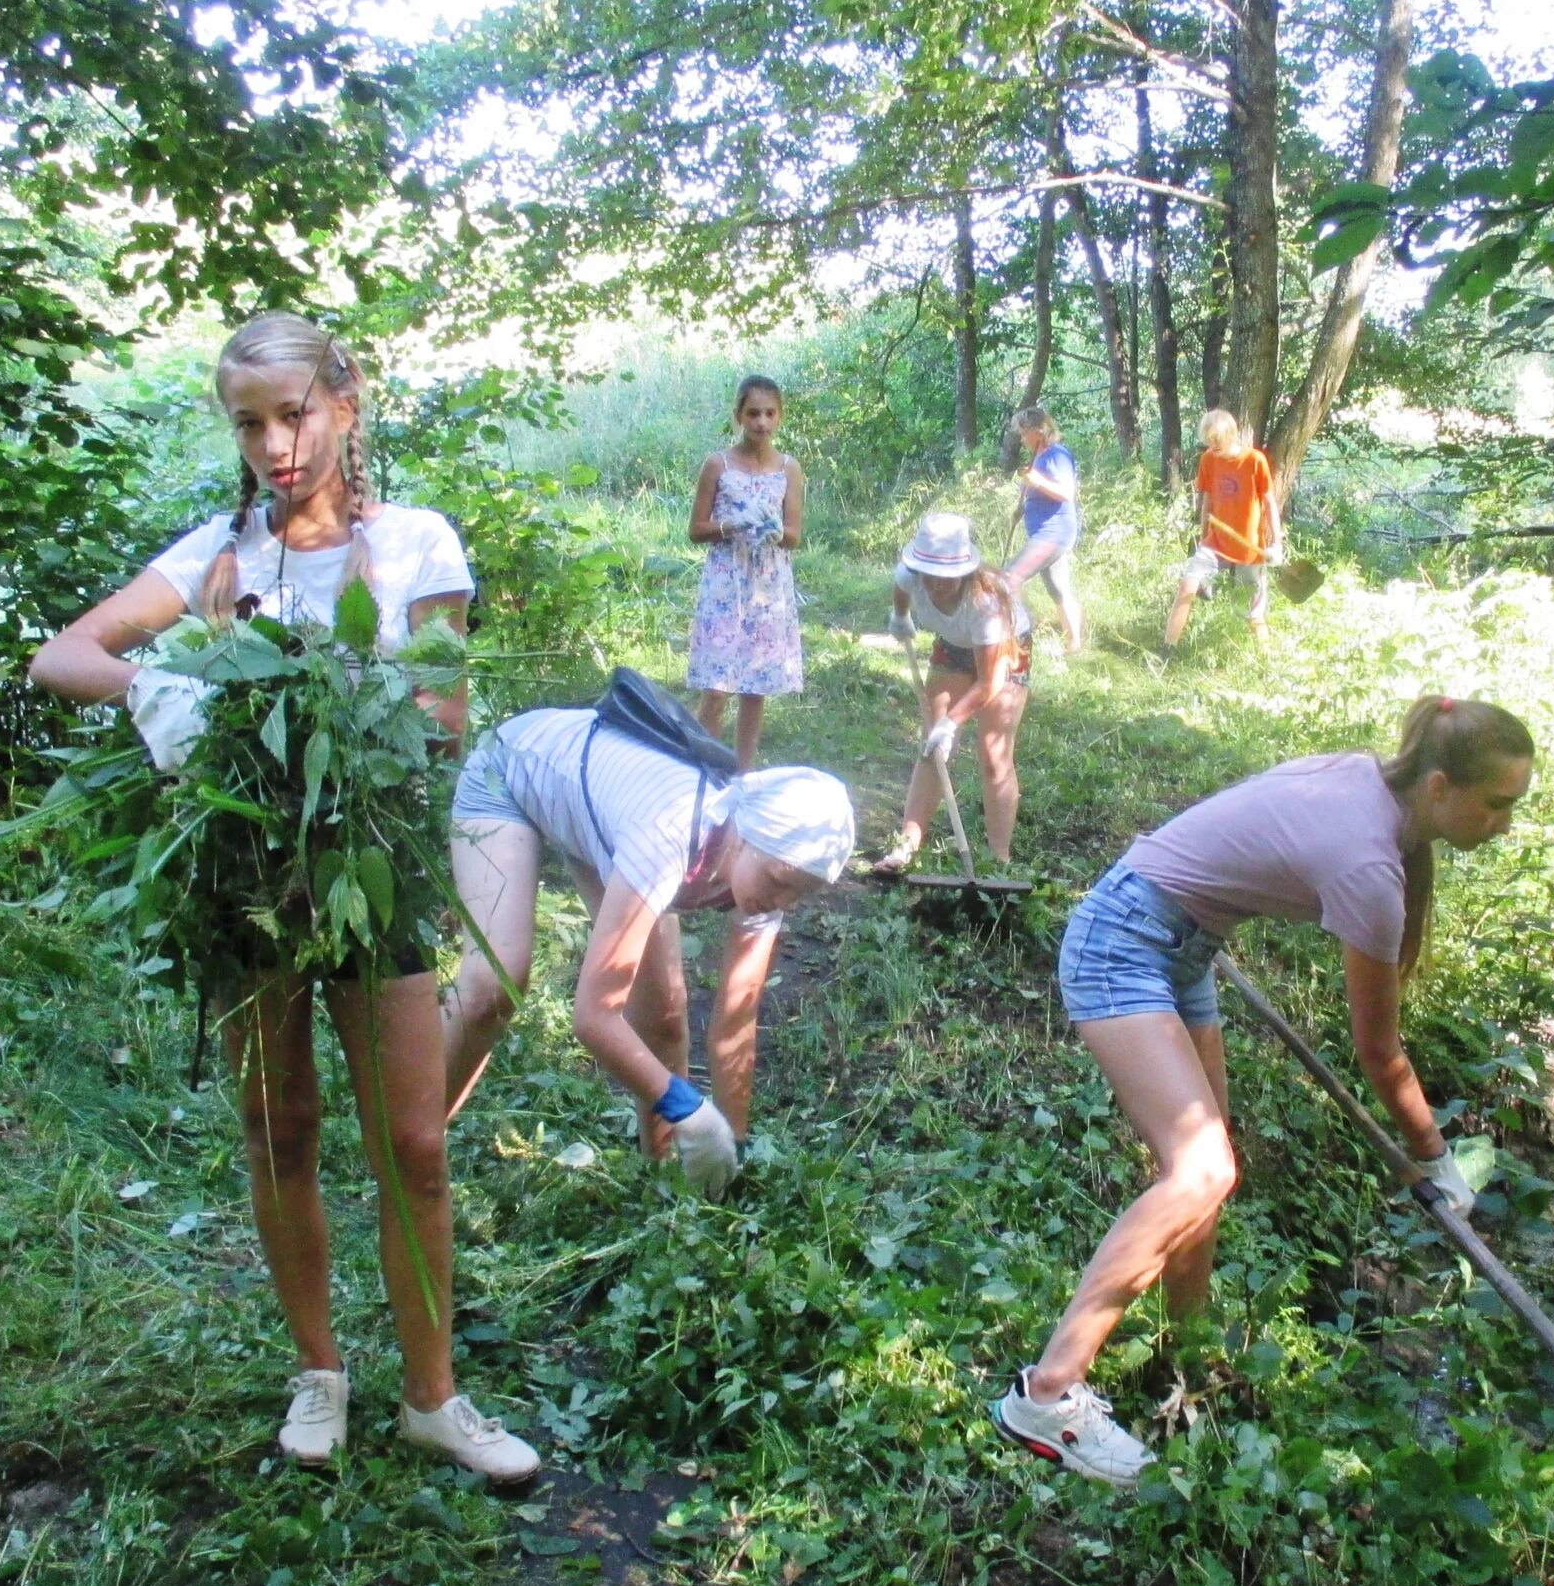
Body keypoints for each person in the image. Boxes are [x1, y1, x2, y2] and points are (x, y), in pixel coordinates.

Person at [29, 312, 539, 1482]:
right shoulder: (219, 553)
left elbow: (441, 715)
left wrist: (311, 690)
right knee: (280, 1126)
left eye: (294, 413)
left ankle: (432, 1397)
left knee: (411, 1139)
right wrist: (174, 683)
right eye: (250, 423)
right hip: (247, 877)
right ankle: (319, 1377)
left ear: (347, 403)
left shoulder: (416, 542)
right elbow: (63, 658)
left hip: (373, 859)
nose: (276, 444)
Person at [993, 697, 1536, 1486]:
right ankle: (1044, 1395)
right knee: (1202, 1170)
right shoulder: (1369, 869)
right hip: (1123, 940)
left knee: (1205, 1179)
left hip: (1180, 946)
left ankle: (1189, 1359)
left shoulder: (1370, 782)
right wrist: (1438, 1159)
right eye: (1497, 804)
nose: (1503, 824)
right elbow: (1380, 1053)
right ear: (1441, 786)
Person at [439, 710, 855, 1197]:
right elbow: (594, 1018)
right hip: (511, 771)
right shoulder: (671, 834)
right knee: (497, 982)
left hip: (600, 813)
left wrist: (731, 1148)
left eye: (798, 896)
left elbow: (736, 1020)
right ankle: (415, 1138)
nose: (781, 902)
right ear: (742, 835)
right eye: (780, 884)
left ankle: (660, 1178)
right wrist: (691, 1112)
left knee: (662, 1015)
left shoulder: (770, 871)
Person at [868, 513, 1034, 875]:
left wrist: (952, 721)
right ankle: (906, 848)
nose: (939, 585)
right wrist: (900, 617)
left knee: (993, 754)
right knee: (933, 747)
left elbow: (989, 683)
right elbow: (901, 590)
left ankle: (998, 860)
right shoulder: (910, 575)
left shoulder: (986, 603)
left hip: (1005, 647)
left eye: (948, 577)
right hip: (954, 645)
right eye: (932, 574)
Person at [686, 375, 806, 771]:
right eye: (753, 413)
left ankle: (743, 774)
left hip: (768, 586)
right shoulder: (717, 465)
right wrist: (731, 524)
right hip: (726, 582)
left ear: (780, 416)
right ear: (738, 414)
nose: (761, 422)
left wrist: (775, 532)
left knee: (756, 687)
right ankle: (705, 770)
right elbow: (694, 530)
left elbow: (794, 536)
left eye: (770, 413)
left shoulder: (789, 469)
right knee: (717, 688)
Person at [1162, 409, 1284, 652]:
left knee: (1251, 611)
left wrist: (1277, 544)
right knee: (1187, 584)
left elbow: (1269, 502)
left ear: (1231, 435)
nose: (1212, 446)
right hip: (1216, 541)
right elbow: (1207, 498)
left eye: (1216, 441)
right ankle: (1167, 650)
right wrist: (1202, 533)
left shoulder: (1254, 461)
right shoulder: (1208, 459)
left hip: (1250, 547)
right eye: (1208, 441)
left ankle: (1266, 660)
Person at [1003, 406, 1085, 654]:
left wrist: (1037, 481)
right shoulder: (1040, 456)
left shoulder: (1056, 454)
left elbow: (1066, 492)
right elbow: (1036, 488)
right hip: (1050, 532)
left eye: (1023, 432)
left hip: (1053, 533)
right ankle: (1075, 646)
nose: (1021, 437)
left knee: (1009, 579)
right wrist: (1022, 508)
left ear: (1038, 431)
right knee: (1058, 589)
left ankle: (1018, 638)